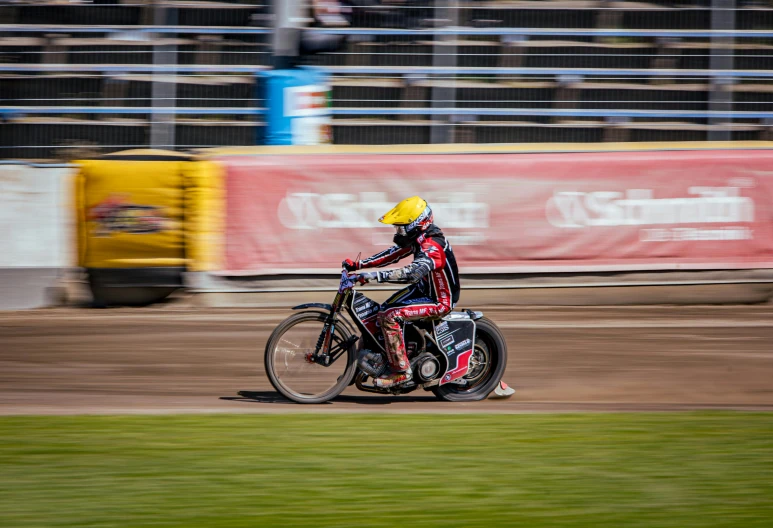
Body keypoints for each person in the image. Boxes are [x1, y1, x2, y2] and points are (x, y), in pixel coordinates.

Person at [343, 196, 460, 388]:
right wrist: (359, 265)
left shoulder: (432, 245)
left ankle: (401, 372)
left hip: (439, 300)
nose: (398, 231)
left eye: (401, 227)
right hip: (422, 290)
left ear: (417, 224)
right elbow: (392, 254)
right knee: (375, 314)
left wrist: (374, 276)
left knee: (390, 316)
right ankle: (363, 365)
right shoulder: (418, 238)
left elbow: (412, 273)